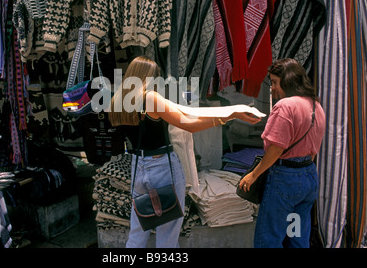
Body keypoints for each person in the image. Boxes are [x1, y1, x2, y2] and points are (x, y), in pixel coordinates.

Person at [107, 56, 261, 248]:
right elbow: (188, 123)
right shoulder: (151, 98)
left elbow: (183, 113)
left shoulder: (118, 101)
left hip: (138, 168)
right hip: (162, 167)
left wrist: (229, 112)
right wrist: (227, 116)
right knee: (168, 235)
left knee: (138, 230)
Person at [238, 58, 326, 248]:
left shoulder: (285, 106)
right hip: (309, 177)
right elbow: (314, 149)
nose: (272, 88)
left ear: (289, 81)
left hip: (285, 180)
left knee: (268, 239)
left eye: (275, 82)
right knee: (296, 237)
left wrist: (253, 175)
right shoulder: (315, 106)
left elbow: (276, 149)